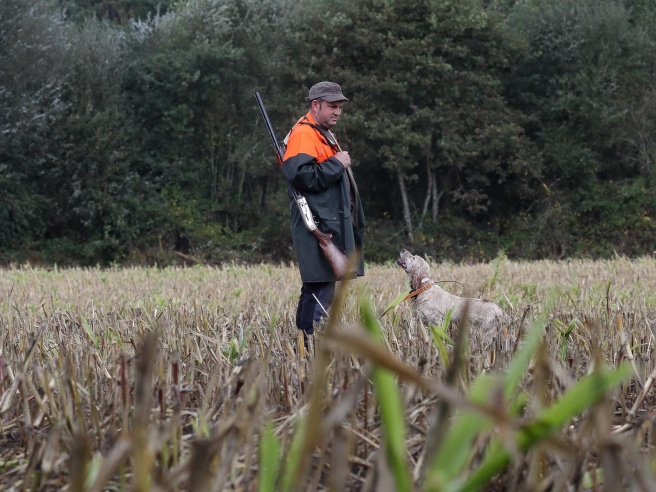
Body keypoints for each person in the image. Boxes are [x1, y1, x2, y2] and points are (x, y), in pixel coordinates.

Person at [282, 81, 365, 346]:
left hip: (326, 221)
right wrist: (336, 164)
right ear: (315, 105)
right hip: (317, 222)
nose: (338, 112)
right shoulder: (305, 134)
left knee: (319, 287)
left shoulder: (321, 133)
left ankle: (307, 344)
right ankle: (309, 346)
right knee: (320, 289)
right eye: (332, 106)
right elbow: (299, 176)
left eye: (340, 107)